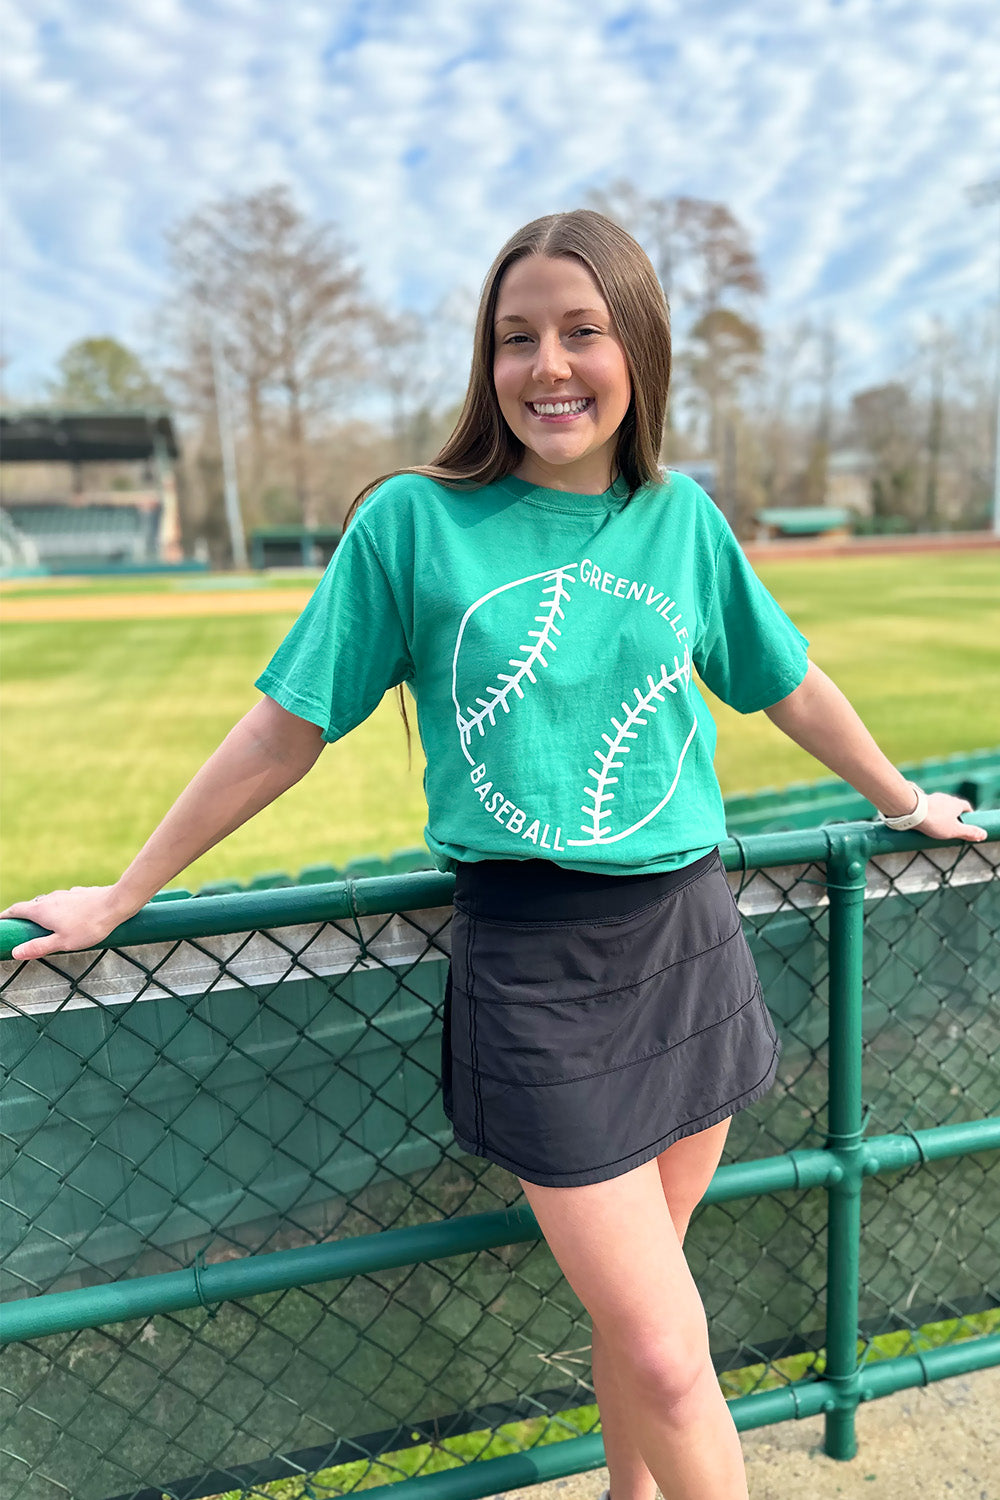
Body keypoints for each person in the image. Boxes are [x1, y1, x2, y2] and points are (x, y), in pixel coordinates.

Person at [2, 210, 986, 1500]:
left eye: (584, 331)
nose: (550, 365)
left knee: (654, 1317)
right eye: (518, 338)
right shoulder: (414, 523)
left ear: (637, 348)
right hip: (534, 966)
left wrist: (908, 800)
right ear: (488, 362)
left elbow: (786, 684)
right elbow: (282, 731)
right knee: (669, 1351)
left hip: (691, 944)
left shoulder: (679, 519)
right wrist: (131, 892)